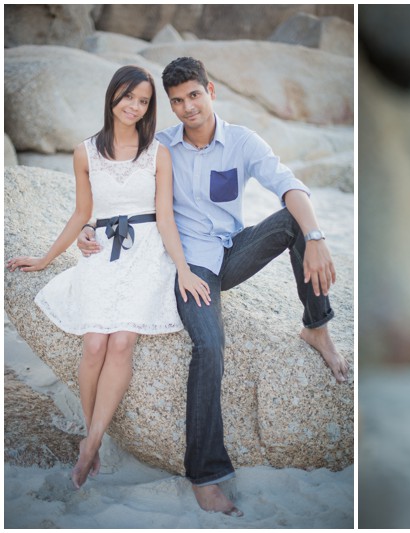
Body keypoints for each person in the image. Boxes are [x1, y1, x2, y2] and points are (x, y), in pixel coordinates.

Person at [75, 57, 350, 517]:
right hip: (190, 266)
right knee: (209, 345)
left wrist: (317, 237)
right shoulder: (160, 147)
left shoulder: (241, 141)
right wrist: (88, 225)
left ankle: (316, 326)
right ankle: (204, 474)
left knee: (296, 222)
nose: (187, 108)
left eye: (194, 96)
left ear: (211, 91)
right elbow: (112, 184)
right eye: (177, 101)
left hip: (231, 252)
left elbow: (289, 184)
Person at [6, 66, 211, 490]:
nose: (134, 107)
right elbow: (82, 214)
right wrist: (45, 258)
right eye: (127, 97)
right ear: (112, 97)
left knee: (122, 340)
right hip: (104, 250)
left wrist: (185, 270)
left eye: (143, 101)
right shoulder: (85, 152)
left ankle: (91, 442)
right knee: (94, 340)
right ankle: (92, 434)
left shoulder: (158, 153)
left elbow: (167, 218)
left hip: (148, 250)